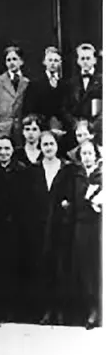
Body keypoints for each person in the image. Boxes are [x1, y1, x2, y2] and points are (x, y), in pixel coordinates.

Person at [25, 130, 76, 326]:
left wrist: (66, 205)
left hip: (60, 226)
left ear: (57, 146)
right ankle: (46, 310)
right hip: (40, 226)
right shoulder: (34, 169)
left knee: (60, 268)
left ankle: (60, 310)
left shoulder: (67, 169)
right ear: (40, 147)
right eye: (45, 144)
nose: (48, 148)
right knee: (43, 268)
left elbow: (71, 195)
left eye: (51, 144)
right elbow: (29, 198)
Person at [0, 134, 27, 323]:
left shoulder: (22, 171)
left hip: (16, 226)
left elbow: (28, 199)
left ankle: (13, 309)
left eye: (6, 149)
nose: (3, 153)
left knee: (14, 266)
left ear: (13, 150)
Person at [71, 140, 102, 329]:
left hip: (99, 226)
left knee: (99, 266)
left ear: (96, 156)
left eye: (90, 153)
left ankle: (99, 308)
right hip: (82, 225)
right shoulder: (77, 176)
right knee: (85, 267)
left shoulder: (102, 175)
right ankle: (90, 308)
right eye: (84, 154)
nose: (87, 157)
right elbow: (76, 201)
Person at [0, 45, 30, 140]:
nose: (12, 63)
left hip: (20, 131)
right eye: (8, 60)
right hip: (2, 129)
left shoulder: (27, 83)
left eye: (15, 59)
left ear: (21, 61)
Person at [24, 46, 68, 131]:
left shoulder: (65, 84)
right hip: (42, 127)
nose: (52, 63)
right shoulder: (34, 84)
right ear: (44, 62)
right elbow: (30, 109)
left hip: (62, 127)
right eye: (50, 60)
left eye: (56, 61)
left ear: (60, 63)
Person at [64, 43, 102, 134]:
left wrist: (92, 125)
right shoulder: (71, 83)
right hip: (75, 130)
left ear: (95, 60)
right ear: (78, 61)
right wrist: (76, 124)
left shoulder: (102, 81)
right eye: (82, 58)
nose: (85, 61)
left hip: (96, 130)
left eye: (88, 58)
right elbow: (64, 108)